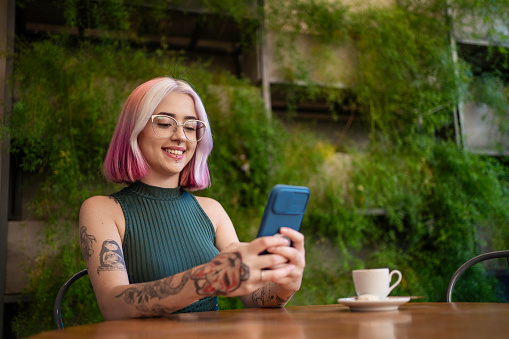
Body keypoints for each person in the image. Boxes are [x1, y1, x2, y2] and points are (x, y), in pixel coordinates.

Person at [79, 77, 306, 320]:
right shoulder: (102, 210)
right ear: (134, 131)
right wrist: (207, 278)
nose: (181, 137)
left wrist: (285, 284)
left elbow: (254, 297)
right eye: (165, 123)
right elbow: (114, 305)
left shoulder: (212, 211)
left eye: (190, 127)